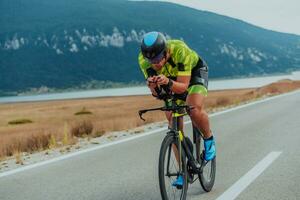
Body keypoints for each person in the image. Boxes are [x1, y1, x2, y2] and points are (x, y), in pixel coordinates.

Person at [138, 31, 216, 187]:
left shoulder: (180, 50)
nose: (156, 64)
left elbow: (183, 87)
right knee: (172, 120)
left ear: (166, 52)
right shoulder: (143, 60)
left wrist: (167, 82)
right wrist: (153, 87)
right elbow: (157, 94)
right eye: (152, 61)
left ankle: (209, 141)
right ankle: (183, 171)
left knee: (193, 109)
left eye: (159, 59)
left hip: (193, 74)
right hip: (171, 80)